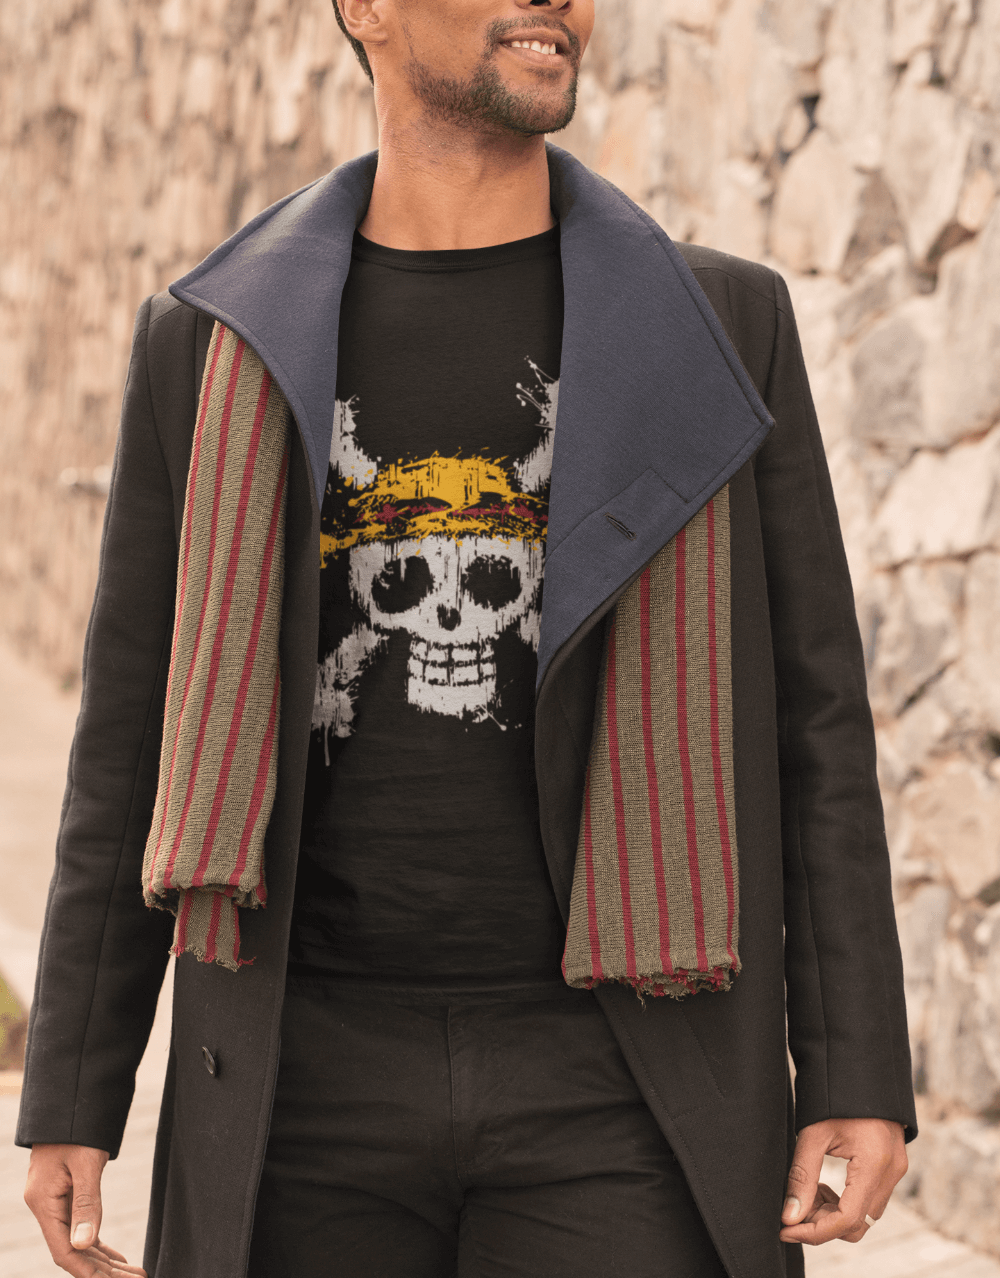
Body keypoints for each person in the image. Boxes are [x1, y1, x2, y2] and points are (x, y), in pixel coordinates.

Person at [18, 1, 916, 1276]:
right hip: (298, 1084)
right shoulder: (214, 342)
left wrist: (854, 1064)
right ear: (367, 10)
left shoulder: (718, 325)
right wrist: (74, 1087)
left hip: (628, 1078)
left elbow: (812, 716)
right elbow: (129, 738)